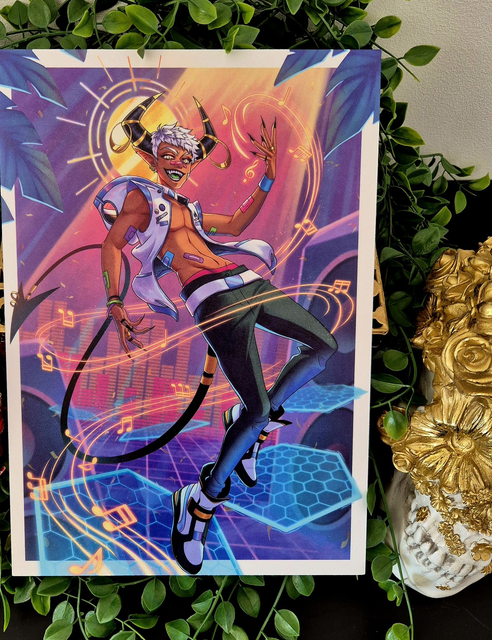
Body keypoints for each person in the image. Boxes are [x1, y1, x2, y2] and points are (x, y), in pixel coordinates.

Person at [95, 94, 337, 574]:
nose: (179, 165)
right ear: (151, 158)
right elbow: (111, 245)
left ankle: (249, 422)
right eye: (169, 156)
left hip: (246, 281)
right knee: (259, 409)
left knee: (323, 347)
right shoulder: (142, 201)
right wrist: (115, 301)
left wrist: (268, 177)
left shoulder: (190, 206)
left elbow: (238, 222)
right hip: (213, 300)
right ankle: (200, 502)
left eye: (186, 159)